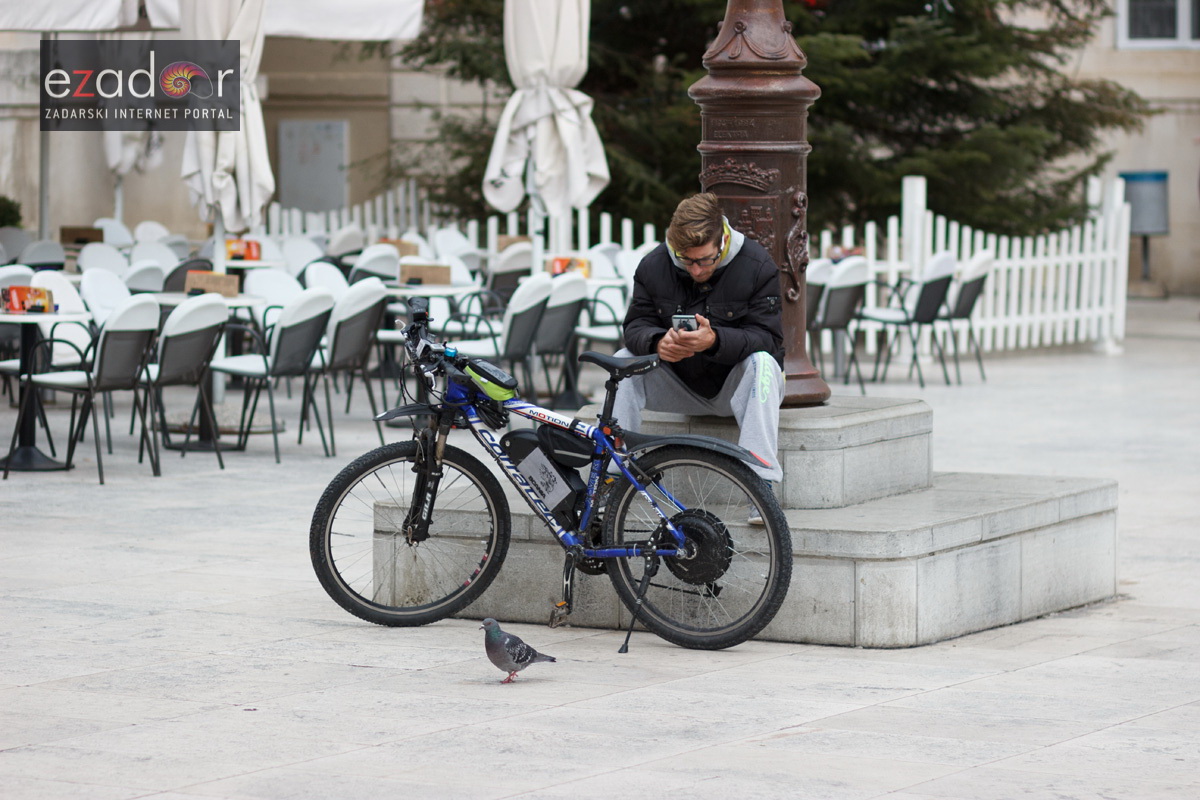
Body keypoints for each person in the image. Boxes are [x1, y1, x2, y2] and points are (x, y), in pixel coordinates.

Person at [611, 192, 784, 484]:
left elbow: (768, 339)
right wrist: (657, 342)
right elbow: (635, 326)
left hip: (734, 386)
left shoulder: (758, 265)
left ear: (723, 241)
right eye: (686, 260)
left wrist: (715, 341)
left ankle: (761, 484)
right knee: (623, 361)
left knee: (763, 364)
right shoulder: (653, 265)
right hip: (678, 383)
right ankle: (613, 478)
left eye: (705, 260)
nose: (696, 270)